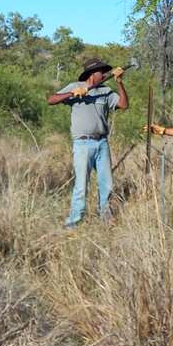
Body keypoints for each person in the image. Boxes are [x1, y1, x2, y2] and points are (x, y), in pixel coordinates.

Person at [47, 58, 129, 227]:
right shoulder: (74, 86)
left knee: (106, 184)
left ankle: (105, 218)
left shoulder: (106, 91)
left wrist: (119, 82)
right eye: (102, 72)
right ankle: (74, 222)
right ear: (93, 74)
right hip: (82, 144)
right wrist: (74, 93)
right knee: (81, 185)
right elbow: (51, 100)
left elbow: (123, 104)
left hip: (102, 143)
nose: (105, 74)